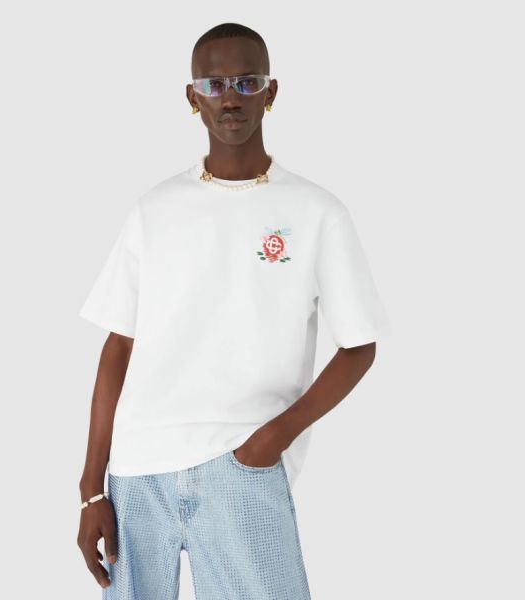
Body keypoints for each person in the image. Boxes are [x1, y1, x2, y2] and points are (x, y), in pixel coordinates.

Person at [77, 22, 391, 600]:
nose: (230, 98)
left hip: (244, 462)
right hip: (138, 468)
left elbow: (360, 344)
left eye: (247, 82)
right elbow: (119, 345)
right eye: (214, 84)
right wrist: (92, 488)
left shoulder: (316, 212)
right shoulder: (155, 209)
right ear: (192, 96)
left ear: (271, 92)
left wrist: (272, 438)